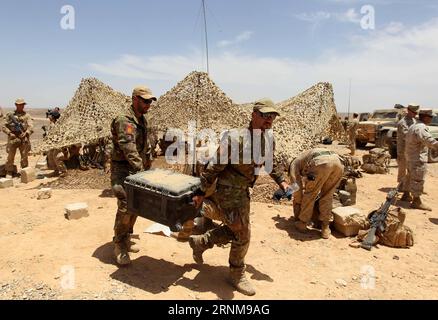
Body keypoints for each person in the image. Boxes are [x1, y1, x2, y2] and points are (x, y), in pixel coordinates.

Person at [189, 99, 290, 296]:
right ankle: (236, 273)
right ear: (253, 115)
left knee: (235, 229)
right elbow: (214, 167)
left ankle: (201, 242)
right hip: (227, 191)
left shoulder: (268, 139)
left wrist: (283, 183)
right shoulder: (235, 138)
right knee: (243, 233)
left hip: (244, 191)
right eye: (264, 116)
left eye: (272, 117)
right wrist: (201, 192)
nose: (269, 120)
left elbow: (270, 163)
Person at [111, 86, 156, 266]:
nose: (148, 104)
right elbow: (129, 149)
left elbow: (145, 146)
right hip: (123, 169)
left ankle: (127, 236)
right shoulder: (125, 120)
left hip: (138, 169)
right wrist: (142, 171)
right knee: (125, 205)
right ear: (135, 99)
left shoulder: (142, 120)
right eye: (145, 101)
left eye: (150, 101)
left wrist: (148, 165)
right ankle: (119, 244)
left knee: (136, 205)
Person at [288, 148, 344, 239]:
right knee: (328, 195)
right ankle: (325, 228)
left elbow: (296, 187)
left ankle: (302, 223)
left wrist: (296, 200)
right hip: (338, 163)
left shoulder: (294, 164)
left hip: (321, 162)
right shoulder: (304, 157)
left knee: (310, 194)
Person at [405, 109, 438, 211]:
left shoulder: (413, 125)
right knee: (418, 180)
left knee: (410, 177)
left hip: (411, 157)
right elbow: (429, 141)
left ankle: (406, 195)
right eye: (431, 117)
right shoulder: (421, 127)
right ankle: (416, 201)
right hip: (417, 158)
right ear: (426, 117)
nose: (431, 119)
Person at [1, 98, 33, 177]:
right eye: (19, 105)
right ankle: (9, 171)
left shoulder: (27, 116)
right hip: (13, 137)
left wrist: (26, 133)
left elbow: (31, 126)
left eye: (22, 105)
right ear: (16, 105)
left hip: (23, 138)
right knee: (11, 156)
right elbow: (3, 126)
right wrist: (9, 133)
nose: (21, 106)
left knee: (24, 156)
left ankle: (24, 172)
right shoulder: (10, 115)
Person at [397, 103, 419, 201]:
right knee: (403, 168)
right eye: (414, 112)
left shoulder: (413, 120)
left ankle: (406, 187)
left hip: (411, 149)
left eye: (416, 113)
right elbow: (407, 136)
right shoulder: (403, 122)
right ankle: (402, 186)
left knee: (410, 169)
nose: (415, 114)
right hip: (403, 149)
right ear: (409, 111)